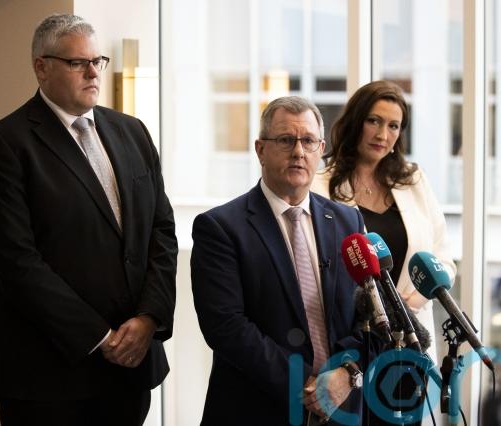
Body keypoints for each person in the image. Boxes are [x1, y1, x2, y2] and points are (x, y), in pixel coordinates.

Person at [0, 14, 178, 426]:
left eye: (97, 61)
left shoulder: (133, 132)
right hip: (46, 372)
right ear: (42, 67)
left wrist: (148, 318)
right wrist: (101, 337)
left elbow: (162, 231)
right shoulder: (5, 143)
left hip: (131, 366)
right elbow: (17, 261)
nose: (93, 72)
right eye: (77, 63)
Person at [191, 96, 370, 425]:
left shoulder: (348, 222)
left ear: (321, 149)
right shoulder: (220, 227)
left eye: (309, 141)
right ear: (260, 150)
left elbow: (370, 314)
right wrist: (309, 385)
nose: (298, 151)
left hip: (340, 409)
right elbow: (226, 327)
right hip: (258, 409)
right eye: (286, 140)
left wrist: (347, 372)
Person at [313, 80, 456, 424]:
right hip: (352, 346)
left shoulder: (414, 181)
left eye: (393, 126)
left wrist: (411, 301)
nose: (383, 134)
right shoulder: (320, 185)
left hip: (408, 343)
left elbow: (444, 261)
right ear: (355, 122)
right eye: (374, 121)